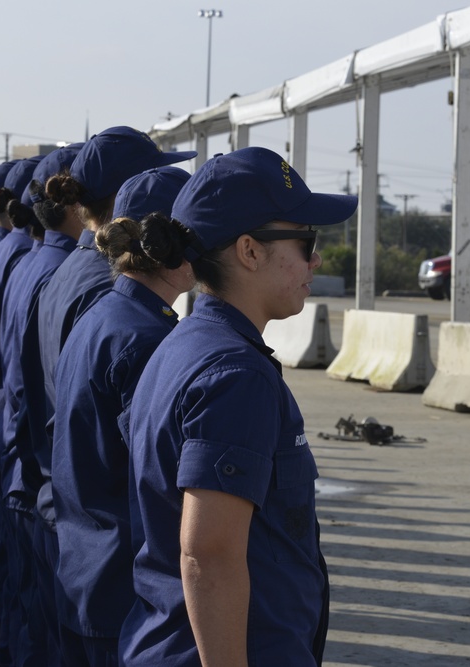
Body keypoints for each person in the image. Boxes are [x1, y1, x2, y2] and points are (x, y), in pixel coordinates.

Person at [120, 147, 357, 666]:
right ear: (249, 251)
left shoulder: (185, 345)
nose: (314, 259)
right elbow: (210, 554)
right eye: (305, 241)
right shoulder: (235, 374)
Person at [53, 166, 192, 667]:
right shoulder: (146, 339)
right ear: (175, 243)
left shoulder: (106, 316)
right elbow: (160, 484)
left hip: (86, 572)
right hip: (125, 595)